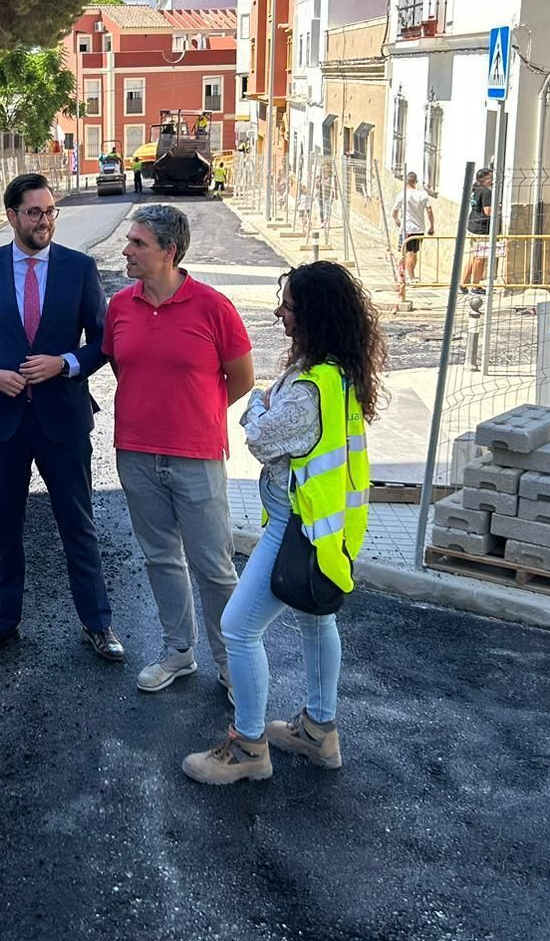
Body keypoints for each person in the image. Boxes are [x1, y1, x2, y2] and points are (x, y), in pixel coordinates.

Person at [181, 261, 382, 784]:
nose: (279, 314)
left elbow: (262, 435)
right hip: (326, 524)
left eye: (288, 307)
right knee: (317, 620)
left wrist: (255, 409)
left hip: (295, 524)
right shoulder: (338, 373)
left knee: (238, 628)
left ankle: (248, 747)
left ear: (312, 316)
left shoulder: (309, 389)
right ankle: (318, 731)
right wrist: (267, 407)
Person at [0, 174, 122, 666]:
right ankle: (2, 624)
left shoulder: (79, 268)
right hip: (1, 419)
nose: (44, 220)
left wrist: (64, 364)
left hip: (62, 418)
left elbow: (102, 342)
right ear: (12, 216)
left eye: (50, 212)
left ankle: (98, 624)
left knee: (78, 523)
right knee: (4, 525)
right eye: (34, 212)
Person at [105, 204, 254, 697]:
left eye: (138, 244)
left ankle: (232, 665)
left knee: (213, 565)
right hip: (136, 453)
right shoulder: (120, 307)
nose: (126, 250)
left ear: (169, 251)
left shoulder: (214, 307)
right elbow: (122, 368)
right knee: (160, 557)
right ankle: (178, 652)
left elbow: (242, 379)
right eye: (128, 241)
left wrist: (197, 415)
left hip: (196, 456)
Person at [391, 172, 435, 288]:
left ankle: (410, 276)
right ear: (416, 181)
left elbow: (394, 211)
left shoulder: (402, 195)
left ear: (406, 181)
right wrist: (432, 226)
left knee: (409, 253)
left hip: (407, 228)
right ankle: (411, 275)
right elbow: (429, 211)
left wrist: (396, 220)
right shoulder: (423, 195)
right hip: (419, 228)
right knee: (413, 253)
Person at [460, 167, 494, 294]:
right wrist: (498, 210)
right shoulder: (486, 192)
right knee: (480, 257)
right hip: (481, 228)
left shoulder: (474, 189)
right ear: (484, 179)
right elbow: (487, 211)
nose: (492, 180)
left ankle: (463, 283)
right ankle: (476, 285)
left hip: (472, 225)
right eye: (490, 178)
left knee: (472, 256)